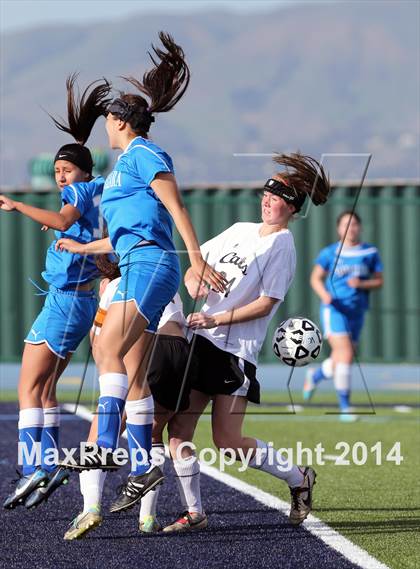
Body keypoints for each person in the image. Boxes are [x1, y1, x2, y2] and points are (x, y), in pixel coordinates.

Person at [56, 32, 226, 513]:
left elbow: (175, 208)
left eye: (109, 120)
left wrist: (195, 257)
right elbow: (127, 231)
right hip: (135, 261)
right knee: (128, 370)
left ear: (122, 122)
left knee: (109, 347)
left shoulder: (147, 153)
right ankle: (143, 463)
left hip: (153, 265)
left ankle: (108, 446)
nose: (104, 127)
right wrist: (85, 245)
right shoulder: (124, 166)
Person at [162, 153, 331, 531]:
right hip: (201, 342)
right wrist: (195, 282)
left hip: (233, 352)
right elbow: (195, 266)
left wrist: (216, 317)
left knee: (227, 440)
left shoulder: (282, 245)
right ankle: (195, 513)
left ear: (292, 207)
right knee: (180, 431)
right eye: (267, 194)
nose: (268, 200)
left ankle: (298, 479)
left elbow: (266, 303)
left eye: (278, 196)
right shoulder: (239, 229)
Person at [1, 74, 111, 510]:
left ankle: (35, 468)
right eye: (58, 172)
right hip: (78, 301)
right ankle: (44, 466)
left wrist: (15, 205)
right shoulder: (98, 191)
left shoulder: (82, 190)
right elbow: (75, 224)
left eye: (67, 170)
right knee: (45, 391)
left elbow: (65, 222)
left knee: (27, 388)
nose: (62, 178)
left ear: (84, 170)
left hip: (66, 302)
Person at [64, 257, 198, 540]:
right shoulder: (165, 279)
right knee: (153, 435)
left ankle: (91, 508)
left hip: (152, 351)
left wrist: (104, 296)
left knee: (97, 436)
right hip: (180, 351)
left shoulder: (117, 286)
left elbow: (100, 343)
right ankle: (148, 517)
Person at [303, 211, 383, 421]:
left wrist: (362, 284)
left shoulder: (370, 252)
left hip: (357, 311)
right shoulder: (330, 253)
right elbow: (315, 279)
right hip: (334, 310)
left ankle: (315, 375)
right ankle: (345, 408)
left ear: (360, 227)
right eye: (346, 224)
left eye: (354, 224)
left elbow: (379, 281)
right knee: (346, 355)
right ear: (339, 229)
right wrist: (325, 296)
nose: (351, 228)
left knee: (341, 357)